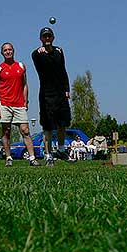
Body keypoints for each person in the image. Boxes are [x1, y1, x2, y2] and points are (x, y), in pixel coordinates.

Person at [0, 42, 40, 167]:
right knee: (6, 131)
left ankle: (32, 158)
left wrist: (26, 101)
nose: (8, 52)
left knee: (25, 130)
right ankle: (8, 157)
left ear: (13, 51)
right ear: (2, 53)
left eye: (10, 49)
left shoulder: (21, 66)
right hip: (5, 103)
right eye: (5, 50)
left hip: (19, 104)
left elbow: (24, 85)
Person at [32, 27, 73, 166]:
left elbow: (63, 70)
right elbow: (36, 59)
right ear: (41, 39)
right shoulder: (37, 54)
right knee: (47, 126)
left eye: (49, 36)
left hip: (60, 93)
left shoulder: (59, 52)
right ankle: (48, 155)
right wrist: (40, 51)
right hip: (46, 94)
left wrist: (67, 88)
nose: (47, 38)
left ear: (53, 38)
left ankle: (61, 150)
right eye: (45, 37)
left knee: (63, 123)